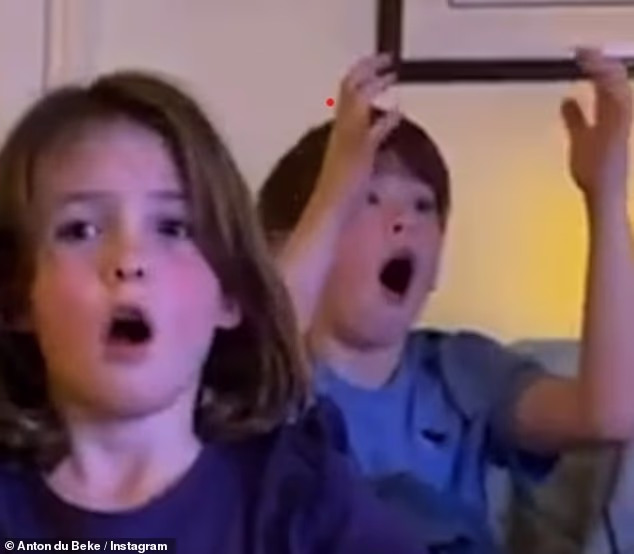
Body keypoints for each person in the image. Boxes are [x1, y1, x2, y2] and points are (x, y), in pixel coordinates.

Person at [0, 70, 432, 553]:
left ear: (230, 294)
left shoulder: (297, 498)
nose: (130, 260)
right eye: (80, 230)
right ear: (17, 299)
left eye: (172, 228)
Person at [257, 48, 634, 550]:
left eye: (423, 205)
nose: (404, 221)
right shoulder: (266, 386)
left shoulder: (460, 369)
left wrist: (606, 193)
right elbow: (242, 364)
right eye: (367, 198)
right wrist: (332, 193)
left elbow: (608, 414)